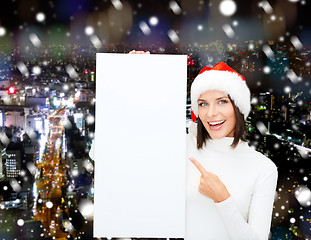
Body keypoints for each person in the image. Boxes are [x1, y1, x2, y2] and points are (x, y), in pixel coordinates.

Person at [186, 61, 278, 240]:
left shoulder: (263, 168)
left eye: (222, 102)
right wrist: (134, 69)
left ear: (238, 108)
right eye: (203, 104)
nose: (211, 113)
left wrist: (222, 199)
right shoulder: (183, 146)